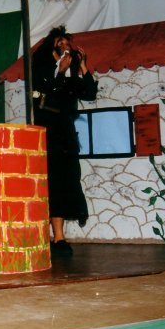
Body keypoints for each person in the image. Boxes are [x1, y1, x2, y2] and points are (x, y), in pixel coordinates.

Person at [31, 25, 98, 255]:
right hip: (48, 133)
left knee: (69, 181)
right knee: (53, 184)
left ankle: (59, 237)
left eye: (67, 44)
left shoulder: (69, 74)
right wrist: (60, 72)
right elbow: (47, 95)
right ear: (51, 49)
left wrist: (83, 67)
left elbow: (89, 93)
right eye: (59, 43)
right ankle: (56, 237)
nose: (64, 47)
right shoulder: (43, 70)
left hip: (66, 134)